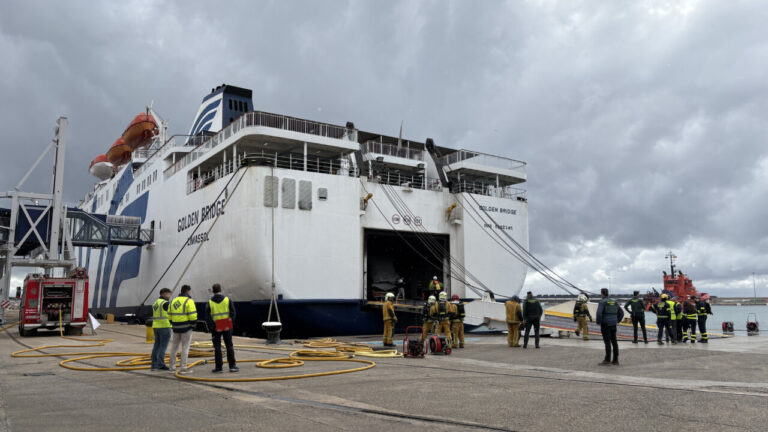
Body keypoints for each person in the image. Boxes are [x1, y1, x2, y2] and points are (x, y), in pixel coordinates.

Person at [205, 283, 239, 373]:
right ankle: (232, 366)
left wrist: (212, 326)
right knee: (229, 346)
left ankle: (219, 368)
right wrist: (229, 323)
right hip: (226, 325)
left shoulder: (210, 302)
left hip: (216, 326)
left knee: (217, 347)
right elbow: (233, 313)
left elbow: (208, 316)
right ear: (221, 290)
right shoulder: (227, 300)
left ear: (213, 291)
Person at [168, 285, 198, 374]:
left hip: (176, 328)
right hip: (186, 328)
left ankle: (172, 367)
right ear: (188, 291)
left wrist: (173, 324)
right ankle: (183, 368)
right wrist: (193, 325)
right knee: (185, 347)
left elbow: (169, 315)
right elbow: (192, 315)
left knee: (174, 347)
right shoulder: (189, 301)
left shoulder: (173, 301)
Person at [596, 288, 624, 366]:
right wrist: (617, 320)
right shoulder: (614, 301)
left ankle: (607, 360)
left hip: (605, 324)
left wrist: (598, 322)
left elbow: (599, 314)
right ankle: (615, 360)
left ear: (602, 294)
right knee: (614, 341)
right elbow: (621, 313)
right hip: (613, 324)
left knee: (607, 342)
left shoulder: (602, 302)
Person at [150, 288, 172, 371]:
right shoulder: (165, 303)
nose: (170, 296)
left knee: (157, 345)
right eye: (169, 294)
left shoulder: (156, 303)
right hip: (164, 326)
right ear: (164, 294)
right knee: (163, 346)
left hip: (156, 326)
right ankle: (160, 364)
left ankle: (154, 365)